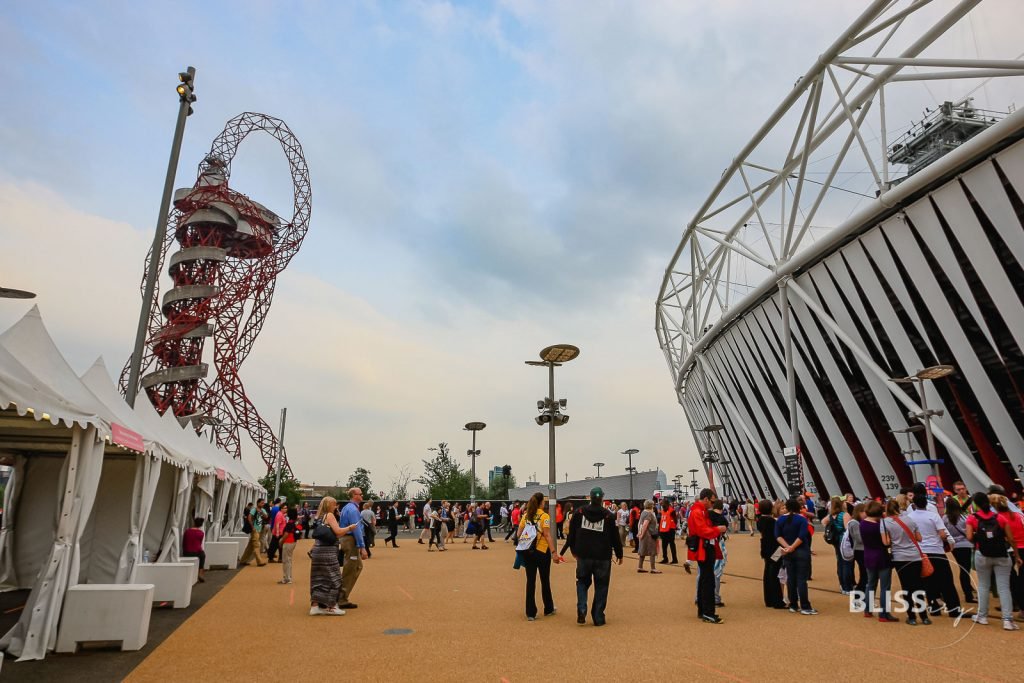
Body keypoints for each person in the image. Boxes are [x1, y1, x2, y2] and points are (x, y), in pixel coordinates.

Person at [558, 487, 623, 626]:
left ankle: (582, 608)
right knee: (602, 586)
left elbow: (572, 534)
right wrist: (619, 554)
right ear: (602, 499)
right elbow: (615, 537)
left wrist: (573, 550)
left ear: (590, 497)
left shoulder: (579, 512)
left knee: (582, 582)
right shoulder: (608, 516)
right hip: (603, 557)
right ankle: (598, 616)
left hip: (584, 555)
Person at [966, 492, 1020, 630]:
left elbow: (969, 537)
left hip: (982, 554)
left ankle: (982, 616)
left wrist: (978, 539)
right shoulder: (1000, 518)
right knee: (1004, 587)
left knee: (984, 585)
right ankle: (1007, 619)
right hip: (1001, 554)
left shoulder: (972, 518)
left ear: (976, 504)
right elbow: (1011, 538)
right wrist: (1017, 555)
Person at [905, 483, 959, 617]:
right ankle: (953, 608)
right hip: (936, 550)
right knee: (946, 580)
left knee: (928, 580)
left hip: (921, 551)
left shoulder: (909, 514)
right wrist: (949, 540)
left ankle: (933, 606)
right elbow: (942, 532)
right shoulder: (932, 512)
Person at [309, 496, 358, 616]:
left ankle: (315, 605)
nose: (336, 506)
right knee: (334, 578)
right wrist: (350, 528)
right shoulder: (329, 516)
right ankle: (331, 606)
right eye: (334, 504)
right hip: (328, 551)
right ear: (329, 505)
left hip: (318, 550)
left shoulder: (318, 517)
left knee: (318, 579)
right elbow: (338, 532)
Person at [885, 498, 927, 625]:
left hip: (899, 557)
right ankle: (924, 616)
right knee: (918, 585)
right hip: (914, 555)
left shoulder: (885, 522)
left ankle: (912, 617)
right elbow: (919, 538)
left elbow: (886, 542)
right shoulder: (909, 519)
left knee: (906, 587)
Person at [518, 492, 557, 621]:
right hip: (542, 550)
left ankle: (530, 612)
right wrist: (554, 552)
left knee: (530, 581)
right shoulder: (545, 516)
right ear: (541, 502)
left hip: (529, 551)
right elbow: (547, 535)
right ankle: (548, 608)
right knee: (545, 580)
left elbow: (519, 533)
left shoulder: (526, 516)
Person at [688, 488, 725, 623]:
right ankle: (708, 612)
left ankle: (704, 610)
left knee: (705, 579)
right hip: (704, 548)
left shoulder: (700, 511)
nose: (712, 504)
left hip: (704, 547)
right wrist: (717, 529)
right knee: (708, 580)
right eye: (712, 501)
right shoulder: (698, 512)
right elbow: (703, 531)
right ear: (706, 499)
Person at [776, 497, 816, 615]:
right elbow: (802, 535)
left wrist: (787, 547)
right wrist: (793, 546)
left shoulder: (780, 520)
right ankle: (805, 606)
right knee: (801, 580)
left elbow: (778, 535)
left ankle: (793, 604)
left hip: (787, 552)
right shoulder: (801, 519)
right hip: (801, 551)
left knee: (791, 579)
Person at [860, 500, 898, 622]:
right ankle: (884, 613)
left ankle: (868, 609)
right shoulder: (880, 525)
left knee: (870, 584)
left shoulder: (862, 523)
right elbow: (885, 542)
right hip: (882, 556)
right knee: (885, 587)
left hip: (868, 555)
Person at [991, 495, 1024, 623]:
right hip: (1022, 547)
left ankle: (1019, 606)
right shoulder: (1019, 515)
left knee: (1012, 581)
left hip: (1009, 550)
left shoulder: (997, 519)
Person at [337, 488, 368, 609]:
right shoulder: (353, 510)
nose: (362, 496)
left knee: (357, 567)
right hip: (351, 541)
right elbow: (356, 529)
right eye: (360, 494)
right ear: (354, 495)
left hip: (348, 540)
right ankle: (341, 598)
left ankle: (341, 595)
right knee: (351, 568)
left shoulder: (346, 507)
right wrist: (362, 546)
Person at [822, 497, 853, 594]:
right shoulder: (844, 515)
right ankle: (847, 587)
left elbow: (823, 522)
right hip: (843, 541)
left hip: (835, 541)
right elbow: (847, 528)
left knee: (840, 562)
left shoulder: (831, 515)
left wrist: (830, 527)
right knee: (847, 563)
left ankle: (842, 585)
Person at [757, 500, 784, 609]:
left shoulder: (760, 520)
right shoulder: (771, 521)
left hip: (766, 549)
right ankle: (777, 600)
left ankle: (769, 599)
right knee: (775, 574)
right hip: (775, 549)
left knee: (768, 573)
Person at [239, 500, 267, 567]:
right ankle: (259, 561)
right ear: (258, 503)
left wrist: (262, 512)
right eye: (261, 503)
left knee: (250, 546)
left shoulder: (263, 510)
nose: (263, 504)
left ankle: (243, 560)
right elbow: (249, 518)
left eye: (263, 503)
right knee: (256, 545)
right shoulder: (254, 509)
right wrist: (252, 527)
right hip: (255, 530)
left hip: (259, 529)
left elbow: (266, 517)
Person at [636, 500, 660, 574]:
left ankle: (640, 567)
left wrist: (639, 533)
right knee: (652, 551)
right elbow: (645, 525)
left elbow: (640, 523)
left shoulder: (643, 512)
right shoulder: (649, 514)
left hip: (644, 534)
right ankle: (653, 568)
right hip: (649, 535)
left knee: (642, 550)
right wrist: (642, 534)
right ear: (651, 505)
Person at [182, 516, 207, 583]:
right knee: (203, 556)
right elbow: (199, 544)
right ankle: (200, 572)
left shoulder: (187, 531)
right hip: (197, 552)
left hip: (186, 552)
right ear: (201, 525)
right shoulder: (201, 533)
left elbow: (184, 542)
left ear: (194, 523)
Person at [279, 507, 299, 584]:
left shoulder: (289, 523)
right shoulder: (294, 523)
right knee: (289, 560)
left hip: (288, 542)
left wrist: (281, 541)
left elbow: (286, 534)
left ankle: (287, 578)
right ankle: (289, 577)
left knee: (286, 560)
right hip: (293, 542)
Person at [659, 499, 678, 564]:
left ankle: (674, 559)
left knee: (672, 544)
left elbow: (675, 520)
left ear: (667, 504)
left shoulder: (672, 511)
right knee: (664, 545)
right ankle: (665, 558)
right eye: (662, 505)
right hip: (663, 530)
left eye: (663, 505)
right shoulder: (662, 511)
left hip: (670, 530)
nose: (662, 506)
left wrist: (674, 527)